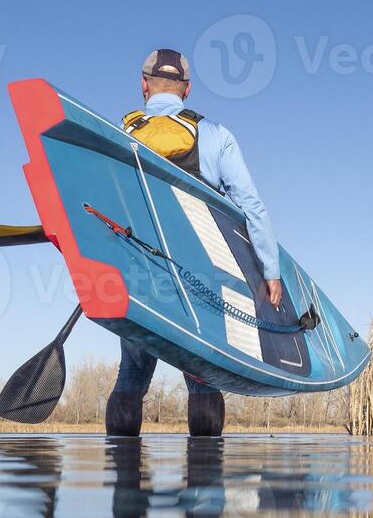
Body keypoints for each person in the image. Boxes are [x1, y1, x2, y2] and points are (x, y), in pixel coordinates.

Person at [105, 48, 283, 437]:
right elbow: (251, 206)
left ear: (143, 85)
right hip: (197, 275)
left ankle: (122, 478)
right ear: (186, 90)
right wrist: (271, 271)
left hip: (137, 272)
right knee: (202, 374)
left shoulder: (118, 133)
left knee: (131, 374)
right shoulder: (216, 136)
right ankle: (204, 476)